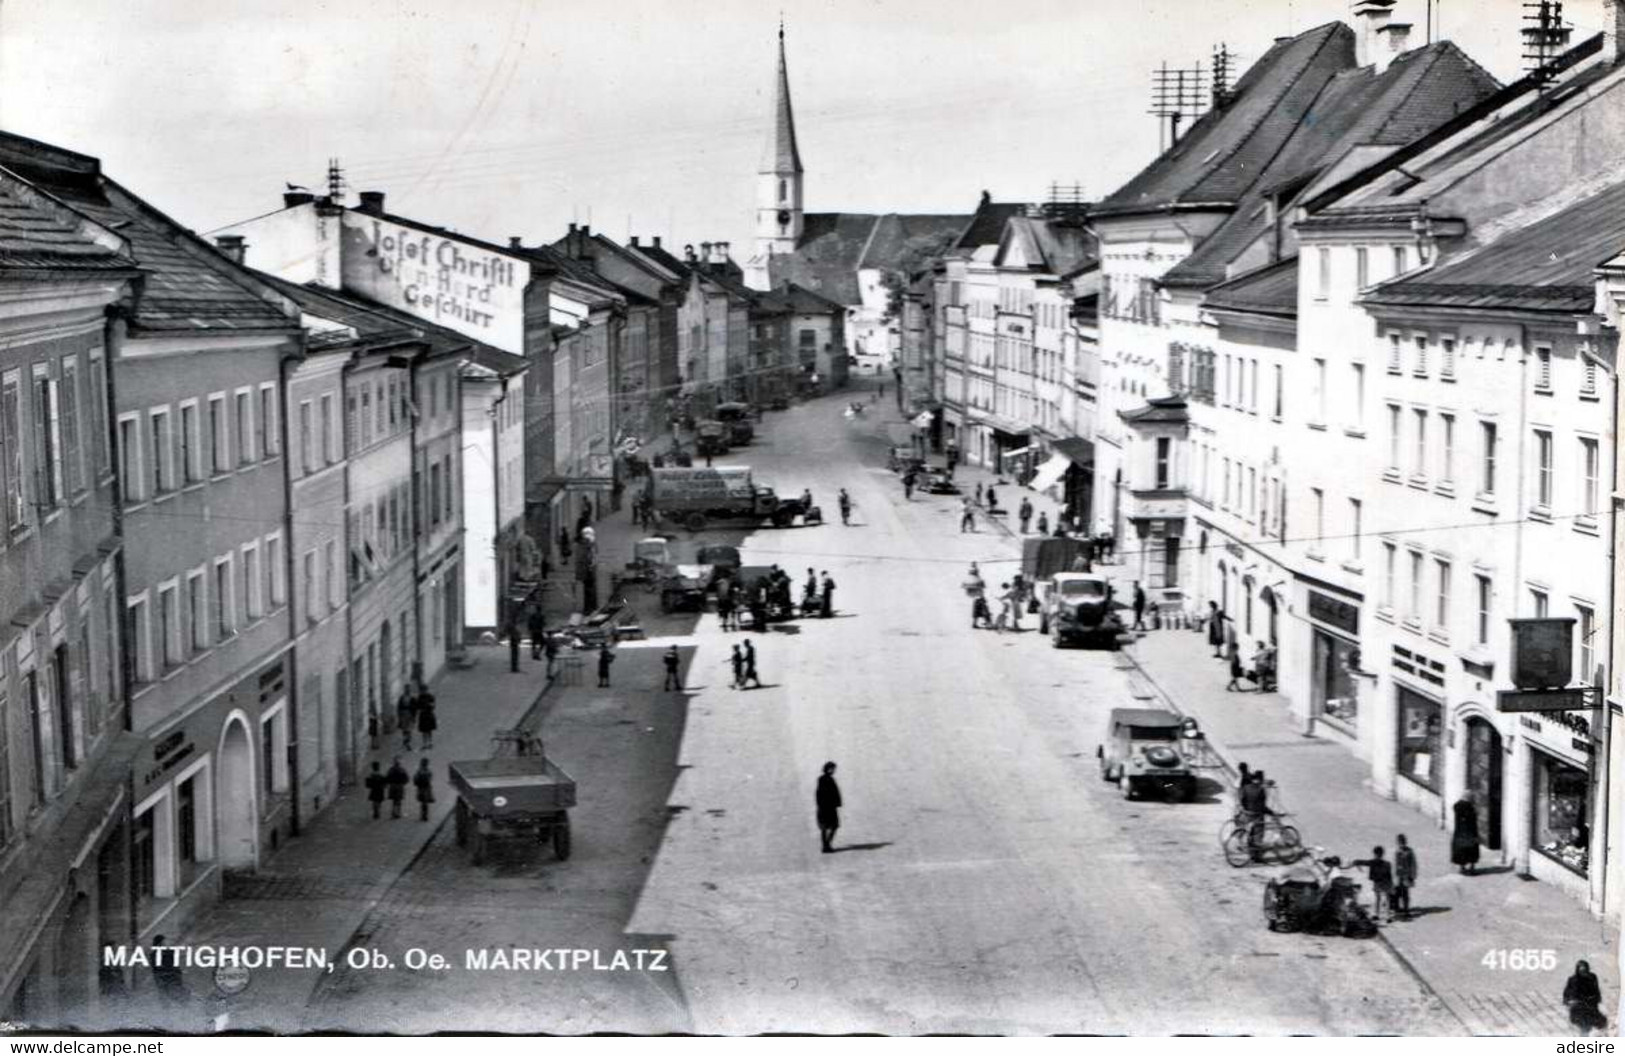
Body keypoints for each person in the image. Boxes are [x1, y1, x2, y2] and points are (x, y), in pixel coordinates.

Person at [1352, 846, 1395, 924]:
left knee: (1378, 898)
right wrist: (1392, 885)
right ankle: (1387, 916)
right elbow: (1390, 875)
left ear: (1375, 854)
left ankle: (1377, 914)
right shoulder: (1387, 864)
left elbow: (1364, 862)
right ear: (1382, 854)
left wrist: (1356, 861)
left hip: (1378, 882)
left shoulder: (1373, 862)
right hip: (1386, 882)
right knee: (1386, 899)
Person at [1563, 960, 1608, 1035]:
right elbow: (1567, 993)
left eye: (1584, 969)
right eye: (1581, 969)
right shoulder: (1573, 980)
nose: (1583, 971)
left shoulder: (1592, 977)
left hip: (1591, 1006)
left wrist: (1597, 999)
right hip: (1579, 1009)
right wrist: (1569, 1001)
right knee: (1585, 1026)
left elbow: (1596, 990)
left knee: (1602, 1023)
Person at [149, 935, 187, 1005]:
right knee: (167, 997)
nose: (165, 944)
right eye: (163, 942)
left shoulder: (169, 953)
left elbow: (175, 966)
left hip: (172, 978)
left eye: (165, 942)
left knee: (176, 995)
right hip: (164, 979)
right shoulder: (155, 954)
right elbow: (157, 968)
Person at [816, 761, 842, 853]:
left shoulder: (829, 779)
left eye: (834, 769)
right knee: (827, 827)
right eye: (832, 769)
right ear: (827, 769)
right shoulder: (824, 779)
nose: (833, 770)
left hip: (828, 807)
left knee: (829, 827)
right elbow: (821, 794)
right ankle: (826, 846)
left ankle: (826, 845)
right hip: (826, 808)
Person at [1451, 798, 1481, 874]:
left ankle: (1462, 867)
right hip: (1470, 833)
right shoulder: (1471, 809)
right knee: (1472, 849)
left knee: (1461, 850)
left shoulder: (1458, 808)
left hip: (1460, 833)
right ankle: (1472, 867)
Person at [1393, 834, 1417, 921]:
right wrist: (1394, 875)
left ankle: (1406, 909)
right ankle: (1397, 908)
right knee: (1397, 892)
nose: (1401, 844)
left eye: (1402, 842)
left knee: (1405, 893)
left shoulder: (1409, 852)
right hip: (1399, 875)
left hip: (1407, 875)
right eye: (1399, 843)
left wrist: (1412, 875)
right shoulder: (1397, 852)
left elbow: (1413, 864)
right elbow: (1395, 864)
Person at [413, 758, 435, 822]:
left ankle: (423, 815)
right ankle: (425, 815)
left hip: (421, 788)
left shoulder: (419, 771)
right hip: (427, 788)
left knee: (423, 802)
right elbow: (430, 778)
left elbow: (415, 779)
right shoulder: (428, 771)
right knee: (425, 802)